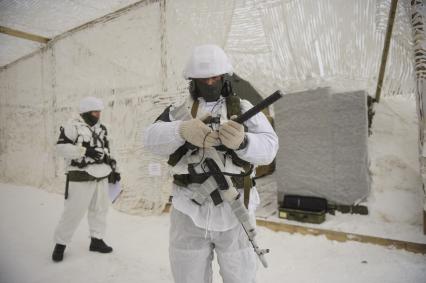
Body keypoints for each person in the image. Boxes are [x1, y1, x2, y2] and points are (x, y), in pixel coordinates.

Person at [144, 44, 279, 283]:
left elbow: (270, 148)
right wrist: (181, 130)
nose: (210, 83)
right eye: (203, 78)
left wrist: (244, 142)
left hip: (236, 207)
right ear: (192, 81)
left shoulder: (244, 108)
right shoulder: (180, 111)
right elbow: (150, 140)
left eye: (215, 77)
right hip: (188, 209)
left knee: (241, 277)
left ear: (225, 78)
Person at [51, 96, 121, 262]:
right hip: (80, 176)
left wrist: (115, 169)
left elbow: (109, 151)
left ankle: (96, 240)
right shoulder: (72, 127)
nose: (98, 115)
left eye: (99, 112)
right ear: (85, 112)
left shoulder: (102, 129)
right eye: (95, 112)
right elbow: (60, 148)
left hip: (102, 175)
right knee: (73, 212)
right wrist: (84, 152)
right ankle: (60, 244)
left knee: (100, 210)